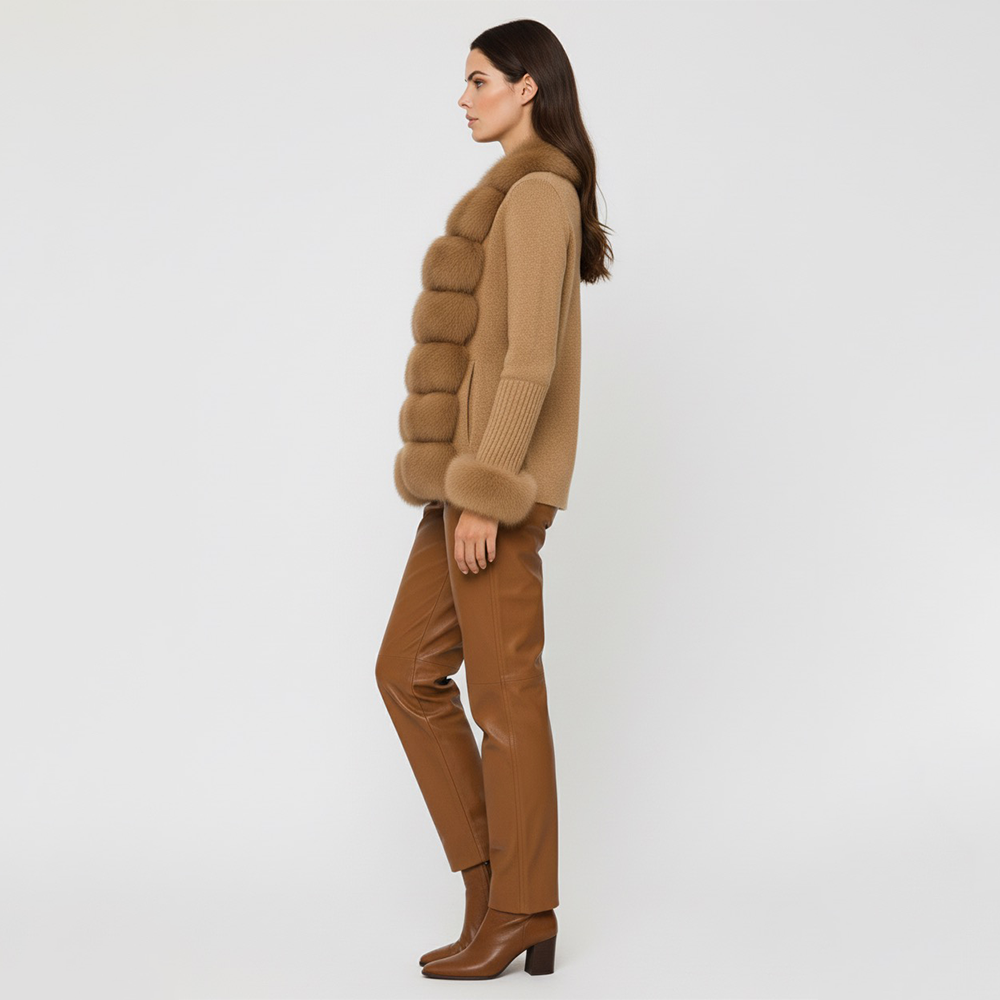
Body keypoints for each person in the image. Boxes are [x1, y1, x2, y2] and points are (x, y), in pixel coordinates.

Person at [375, 18, 613, 981]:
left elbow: (529, 362)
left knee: (505, 699)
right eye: (466, 81)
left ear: (527, 87)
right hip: (466, 488)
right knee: (407, 671)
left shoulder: (540, 195)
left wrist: (486, 494)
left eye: (479, 80)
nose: (464, 98)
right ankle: (491, 891)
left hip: (495, 493)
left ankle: (522, 909)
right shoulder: (513, 196)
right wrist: (459, 490)